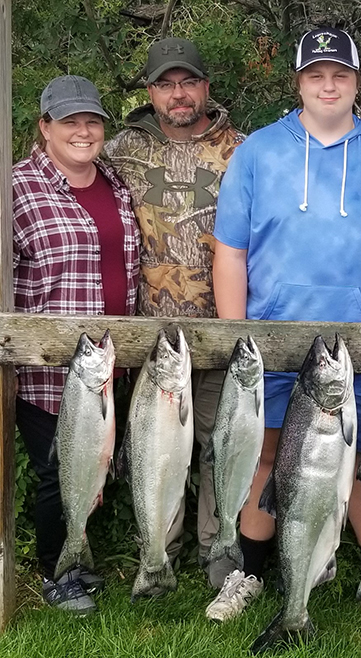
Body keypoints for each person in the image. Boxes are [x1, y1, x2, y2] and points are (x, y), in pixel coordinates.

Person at [209, 26, 361, 621]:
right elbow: (230, 250)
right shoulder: (257, 152)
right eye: (315, 75)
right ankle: (248, 575)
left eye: (341, 75)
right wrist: (237, 337)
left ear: (357, 81)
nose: (328, 85)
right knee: (267, 458)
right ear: (299, 81)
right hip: (274, 342)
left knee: (360, 460)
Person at [105, 38, 245, 589]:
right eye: (166, 84)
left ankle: (220, 548)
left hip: (223, 325)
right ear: (150, 92)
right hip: (151, 334)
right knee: (157, 450)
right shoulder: (121, 150)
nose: (178, 93)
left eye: (188, 82)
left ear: (206, 87)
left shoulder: (244, 150)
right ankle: (157, 553)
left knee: (218, 441)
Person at [13, 75, 141, 614]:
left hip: (112, 362)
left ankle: (80, 556)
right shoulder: (15, 189)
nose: (83, 131)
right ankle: (55, 570)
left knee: (97, 465)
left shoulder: (114, 182)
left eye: (92, 121)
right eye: (69, 121)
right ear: (45, 126)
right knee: (55, 471)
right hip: (48, 369)